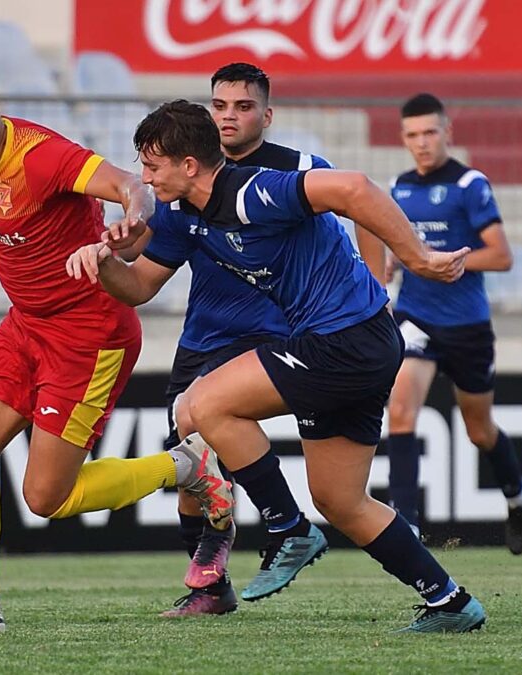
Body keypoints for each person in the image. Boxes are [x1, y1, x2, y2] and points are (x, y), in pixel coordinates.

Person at [67, 99, 487, 633]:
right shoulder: (183, 216)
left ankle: (288, 528)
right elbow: (140, 288)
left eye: (151, 166)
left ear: (189, 165)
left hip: (346, 339)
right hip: (350, 346)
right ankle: (450, 602)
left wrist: (418, 258)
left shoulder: (253, 190)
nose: (142, 178)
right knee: (341, 500)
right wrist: (105, 263)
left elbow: (355, 189)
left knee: (201, 406)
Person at [0, 79, 234, 633]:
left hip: (89, 333)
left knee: (46, 497)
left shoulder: (44, 158)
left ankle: (188, 465)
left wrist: (131, 219)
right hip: (26, 325)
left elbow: (125, 184)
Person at [150, 63, 353, 617]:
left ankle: (295, 525)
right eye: (220, 106)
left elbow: (353, 218)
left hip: (282, 334)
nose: (230, 116)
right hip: (205, 335)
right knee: (191, 464)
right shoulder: (182, 183)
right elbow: (145, 275)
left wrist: (380, 284)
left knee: (208, 428)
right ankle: (210, 584)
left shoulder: (301, 171)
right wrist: (109, 251)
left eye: (243, 107)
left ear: (267, 114)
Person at [385, 93, 522, 553]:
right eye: (413, 135)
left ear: (448, 133)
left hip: (466, 326)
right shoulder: (398, 187)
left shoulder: (470, 184)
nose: (422, 143)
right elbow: (395, 247)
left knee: (479, 430)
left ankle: (516, 494)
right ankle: (404, 525)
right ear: (403, 139)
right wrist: (393, 262)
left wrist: (445, 263)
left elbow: (502, 255)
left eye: (430, 132)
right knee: (401, 410)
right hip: (416, 317)